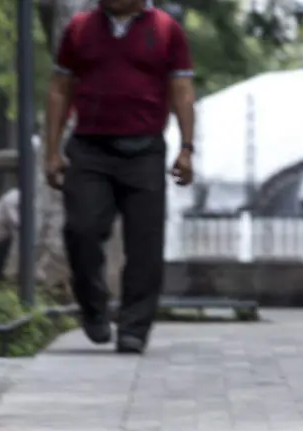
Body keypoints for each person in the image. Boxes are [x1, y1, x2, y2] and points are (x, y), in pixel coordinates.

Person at [45, 0, 196, 355]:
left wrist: (187, 148)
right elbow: (59, 89)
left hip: (144, 151)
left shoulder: (166, 30)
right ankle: (93, 307)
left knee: (145, 245)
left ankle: (134, 328)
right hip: (89, 149)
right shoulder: (80, 29)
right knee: (80, 230)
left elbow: (182, 90)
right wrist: (51, 151)